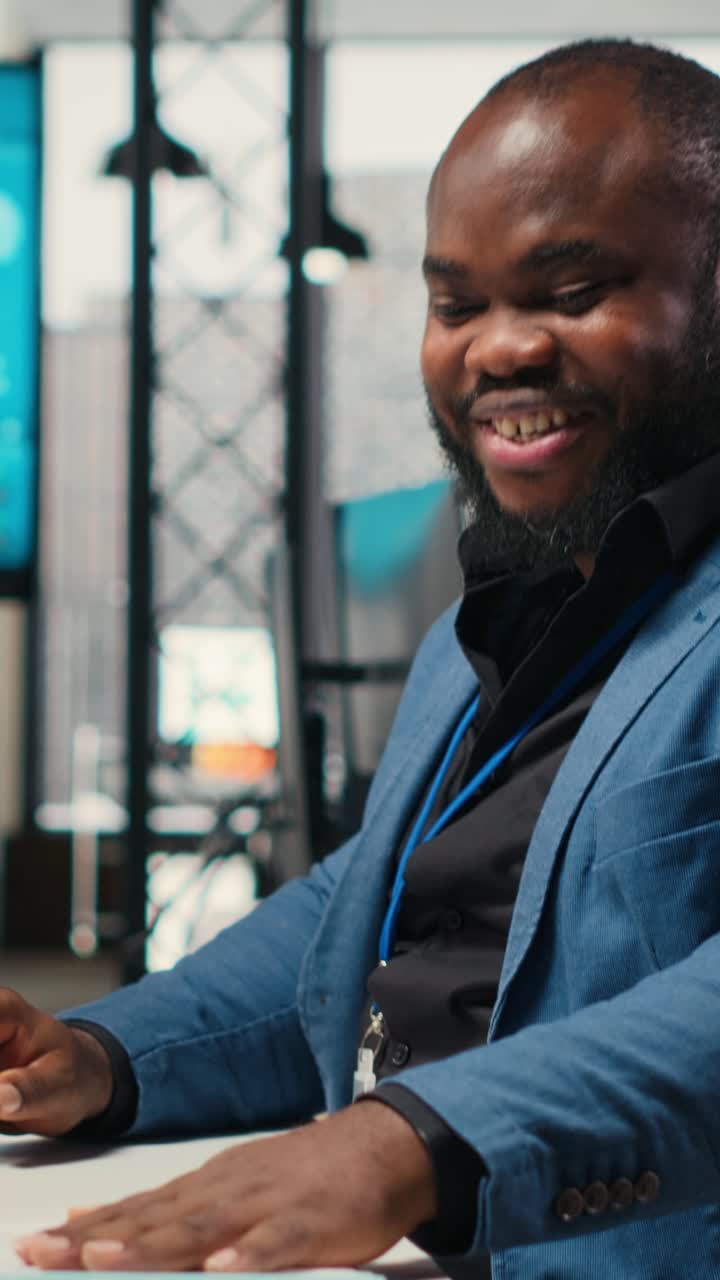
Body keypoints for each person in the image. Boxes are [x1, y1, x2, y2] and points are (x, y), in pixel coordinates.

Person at [6, 35, 720, 1279]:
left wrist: (420, 1142)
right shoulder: (481, 621)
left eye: (568, 290)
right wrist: (107, 1056)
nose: (498, 349)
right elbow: (367, 917)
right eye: (458, 303)